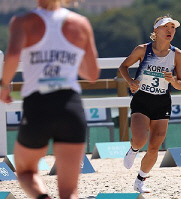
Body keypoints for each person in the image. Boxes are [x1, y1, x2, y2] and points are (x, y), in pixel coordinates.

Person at [0, 0, 100, 198]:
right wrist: (67, 59)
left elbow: (12, 56)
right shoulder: (81, 23)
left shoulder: (22, 21)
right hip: (71, 106)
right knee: (69, 191)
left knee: (26, 171)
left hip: (39, 106)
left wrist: (4, 86)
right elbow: (92, 74)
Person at [119, 16, 181, 193]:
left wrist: (173, 80)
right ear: (156, 31)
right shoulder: (143, 50)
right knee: (140, 140)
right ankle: (133, 149)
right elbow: (123, 67)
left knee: (155, 147)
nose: (170, 30)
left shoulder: (177, 55)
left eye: (173, 27)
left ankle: (140, 180)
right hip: (142, 98)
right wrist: (130, 81)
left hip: (162, 101)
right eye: (165, 27)